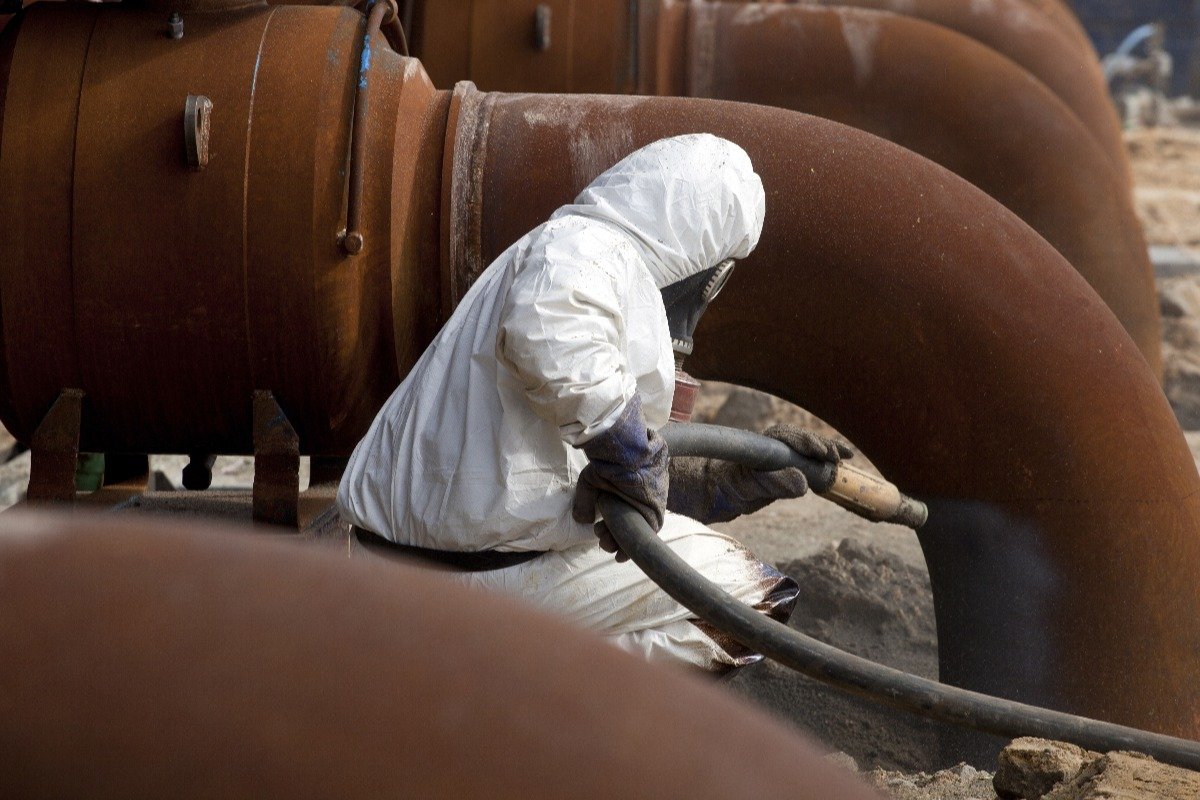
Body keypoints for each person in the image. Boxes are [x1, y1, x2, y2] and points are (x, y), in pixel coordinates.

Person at [338, 133, 851, 673]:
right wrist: (630, 451)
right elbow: (549, 332)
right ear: (699, 238)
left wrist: (715, 481)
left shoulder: (583, 261)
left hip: (432, 555)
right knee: (752, 605)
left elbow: (582, 466)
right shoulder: (585, 250)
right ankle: (504, 684)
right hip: (467, 570)